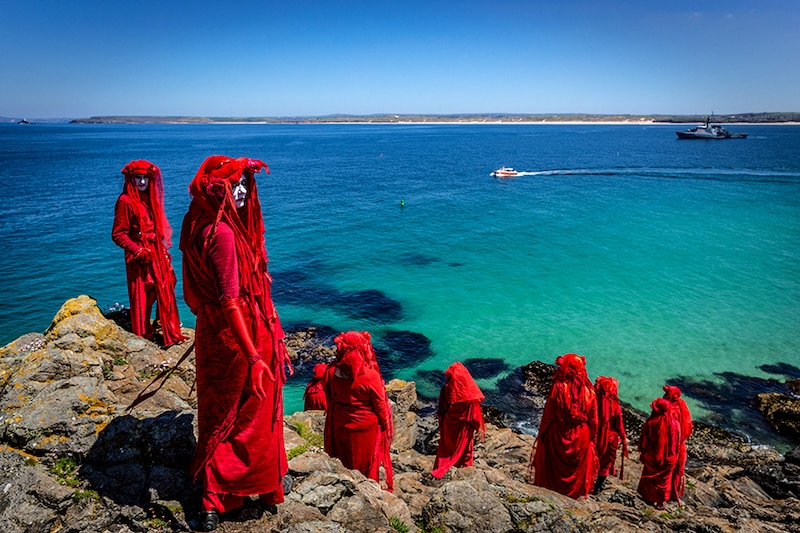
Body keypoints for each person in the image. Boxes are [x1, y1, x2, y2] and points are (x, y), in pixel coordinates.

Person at [180, 155, 293, 531]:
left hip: (211, 330)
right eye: (234, 184)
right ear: (216, 187)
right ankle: (260, 485)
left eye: (245, 183)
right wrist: (256, 356)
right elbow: (230, 300)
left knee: (218, 413)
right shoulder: (224, 234)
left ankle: (213, 496)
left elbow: (194, 291)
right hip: (242, 330)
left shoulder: (194, 218)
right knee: (254, 414)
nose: (242, 191)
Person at [112, 160, 186, 346]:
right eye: (138, 177)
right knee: (143, 294)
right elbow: (118, 234)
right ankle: (144, 332)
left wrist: (162, 250)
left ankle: (166, 326)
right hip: (139, 257)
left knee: (166, 285)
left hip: (155, 252)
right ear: (131, 178)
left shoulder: (147, 198)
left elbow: (155, 229)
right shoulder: (125, 201)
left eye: (145, 178)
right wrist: (137, 251)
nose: (143, 182)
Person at [323, 331, 394, 491]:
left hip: (339, 423)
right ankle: (370, 495)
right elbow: (380, 405)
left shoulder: (330, 371)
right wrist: (385, 425)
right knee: (367, 467)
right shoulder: (370, 376)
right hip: (365, 429)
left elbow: (328, 393)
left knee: (344, 460)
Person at [528, 353, 599, 499]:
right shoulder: (589, 391)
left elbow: (548, 416)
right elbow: (594, 420)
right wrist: (592, 437)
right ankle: (573, 497)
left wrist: (541, 435)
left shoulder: (558, 388)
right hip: (581, 436)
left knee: (555, 470)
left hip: (558, 434)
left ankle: (554, 497)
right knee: (576, 470)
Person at [431, 362, 486, 479]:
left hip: (449, 425)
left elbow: (441, 409)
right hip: (464, 427)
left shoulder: (447, 389)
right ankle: (464, 470)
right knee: (466, 448)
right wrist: (478, 427)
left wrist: (441, 422)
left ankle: (440, 470)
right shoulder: (470, 394)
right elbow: (475, 416)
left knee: (446, 449)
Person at [637, 397, 681, 510]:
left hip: (652, 457)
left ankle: (648, 498)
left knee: (650, 479)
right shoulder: (675, 424)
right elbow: (677, 442)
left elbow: (643, 441)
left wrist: (642, 451)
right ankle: (660, 502)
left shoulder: (651, 423)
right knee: (664, 480)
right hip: (669, 458)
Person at [593, 376, 628, 494]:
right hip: (610, 439)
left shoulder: (593, 401)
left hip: (595, 436)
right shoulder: (615, 407)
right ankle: (598, 486)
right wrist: (623, 437)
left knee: (593, 460)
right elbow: (619, 425)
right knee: (605, 464)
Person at [663, 385, 693, 505]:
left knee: (667, 469)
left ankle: (664, 495)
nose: (664, 396)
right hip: (680, 444)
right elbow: (688, 427)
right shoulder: (682, 406)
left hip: (669, 444)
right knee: (676, 470)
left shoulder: (668, 409)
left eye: (666, 394)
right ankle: (674, 494)